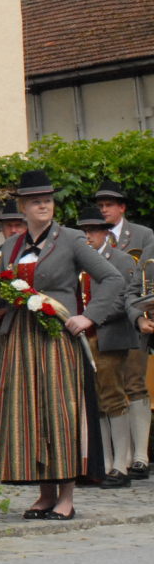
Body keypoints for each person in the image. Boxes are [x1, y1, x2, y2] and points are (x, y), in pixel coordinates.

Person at [0, 170, 122, 520]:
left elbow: (112, 278)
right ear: (22, 207)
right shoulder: (11, 247)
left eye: (48, 200)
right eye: (36, 201)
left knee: (59, 412)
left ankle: (66, 497)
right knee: (29, 414)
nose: (44, 205)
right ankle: (44, 494)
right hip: (19, 339)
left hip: (55, 339)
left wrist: (89, 317)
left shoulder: (71, 240)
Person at [75, 206, 143, 488]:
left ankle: (120, 465)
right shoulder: (78, 261)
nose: (88, 235)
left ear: (105, 233)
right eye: (84, 231)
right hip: (83, 335)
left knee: (112, 397)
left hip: (109, 334)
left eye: (93, 230)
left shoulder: (121, 260)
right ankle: (103, 463)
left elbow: (125, 299)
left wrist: (92, 316)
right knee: (96, 400)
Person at [93, 180, 153, 479]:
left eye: (109, 205)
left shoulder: (142, 235)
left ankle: (140, 454)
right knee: (109, 389)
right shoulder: (90, 238)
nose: (104, 209)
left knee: (134, 382)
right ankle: (121, 457)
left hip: (133, 322)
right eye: (101, 205)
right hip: (105, 326)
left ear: (122, 207)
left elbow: (145, 279)